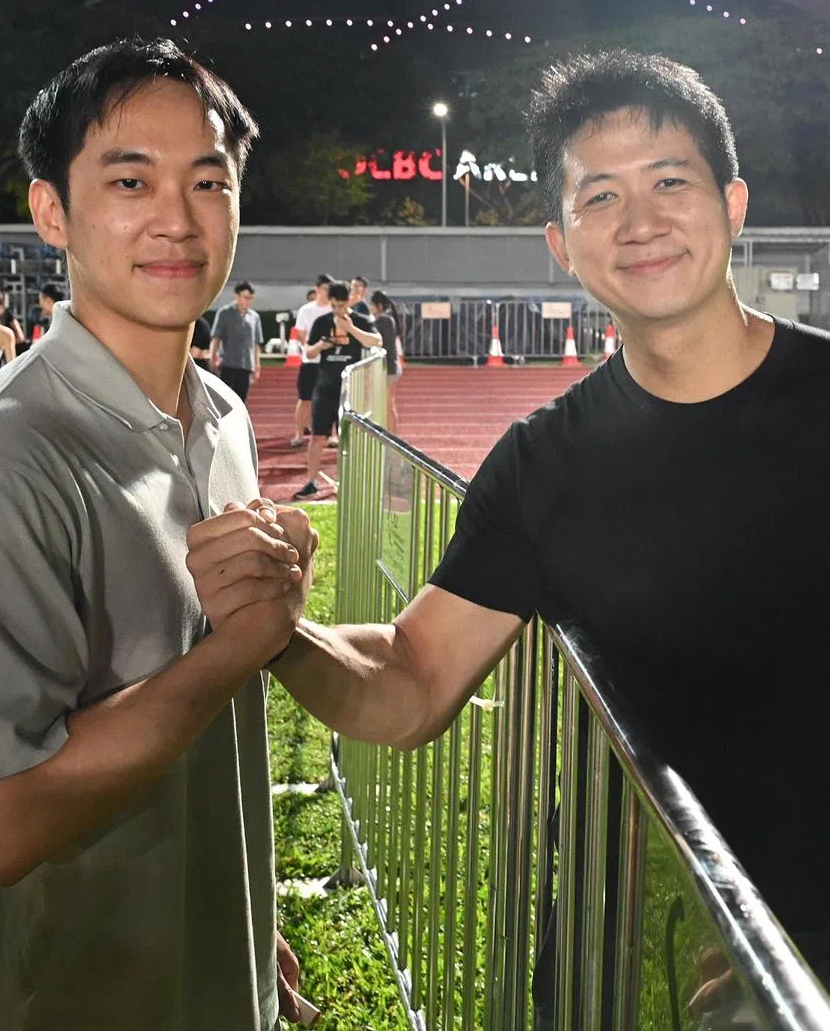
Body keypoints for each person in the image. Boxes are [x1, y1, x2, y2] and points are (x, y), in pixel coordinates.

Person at [188, 49, 830, 1007]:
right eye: (600, 196)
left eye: (670, 182)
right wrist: (278, 629)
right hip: (616, 957)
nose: (642, 221)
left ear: (733, 205)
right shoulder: (543, 464)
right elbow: (411, 677)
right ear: (561, 245)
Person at [0, 36, 307, 1031]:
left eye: (208, 183)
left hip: (205, 972)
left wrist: (240, 919)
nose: (176, 218)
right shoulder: (2, 462)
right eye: (130, 178)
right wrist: (239, 649)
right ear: (54, 212)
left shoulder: (220, 416)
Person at [292, 281, 381, 500]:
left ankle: (347, 483)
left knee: (348, 440)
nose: (338, 310)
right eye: (334, 306)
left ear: (348, 301)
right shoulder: (322, 322)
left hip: (350, 389)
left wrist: (350, 329)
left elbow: (376, 341)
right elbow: (309, 353)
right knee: (317, 437)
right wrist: (321, 346)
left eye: (341, 305)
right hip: (324, 387)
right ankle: (311, 482)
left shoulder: (361, 320)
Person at [289, 276, 334, 447]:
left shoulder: (334, 309)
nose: (327, 292)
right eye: (324, 288)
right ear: (317, 289)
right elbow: (300, 333)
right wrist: (310, 346)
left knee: (331, 399)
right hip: (310, 361)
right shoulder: (306, 310)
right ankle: (299, 434)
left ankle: (332, 435)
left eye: (329, 288)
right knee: (305, 399)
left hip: (330, 362)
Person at [210, 279, 263, 401]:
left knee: (241, 401)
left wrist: (257, 366)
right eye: (246, 297)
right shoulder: (224, 313)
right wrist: (212, 359)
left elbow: (256, 344)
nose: (248, 301)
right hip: (227, 364)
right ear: (237, 296)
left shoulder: (254, 317)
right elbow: (216, 338)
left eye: (251, 298)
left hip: (246, 366)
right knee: (224, 401)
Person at [369, 289, 401, 433]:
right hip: (389, 366)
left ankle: (393, 437)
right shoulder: (385, 319)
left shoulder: (384, 321)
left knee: (388, 405)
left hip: (388, 367)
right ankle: (391, 435)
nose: (370, 308)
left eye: (372, 305)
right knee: (387, 405)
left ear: (379, 306)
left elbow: (381, 343)